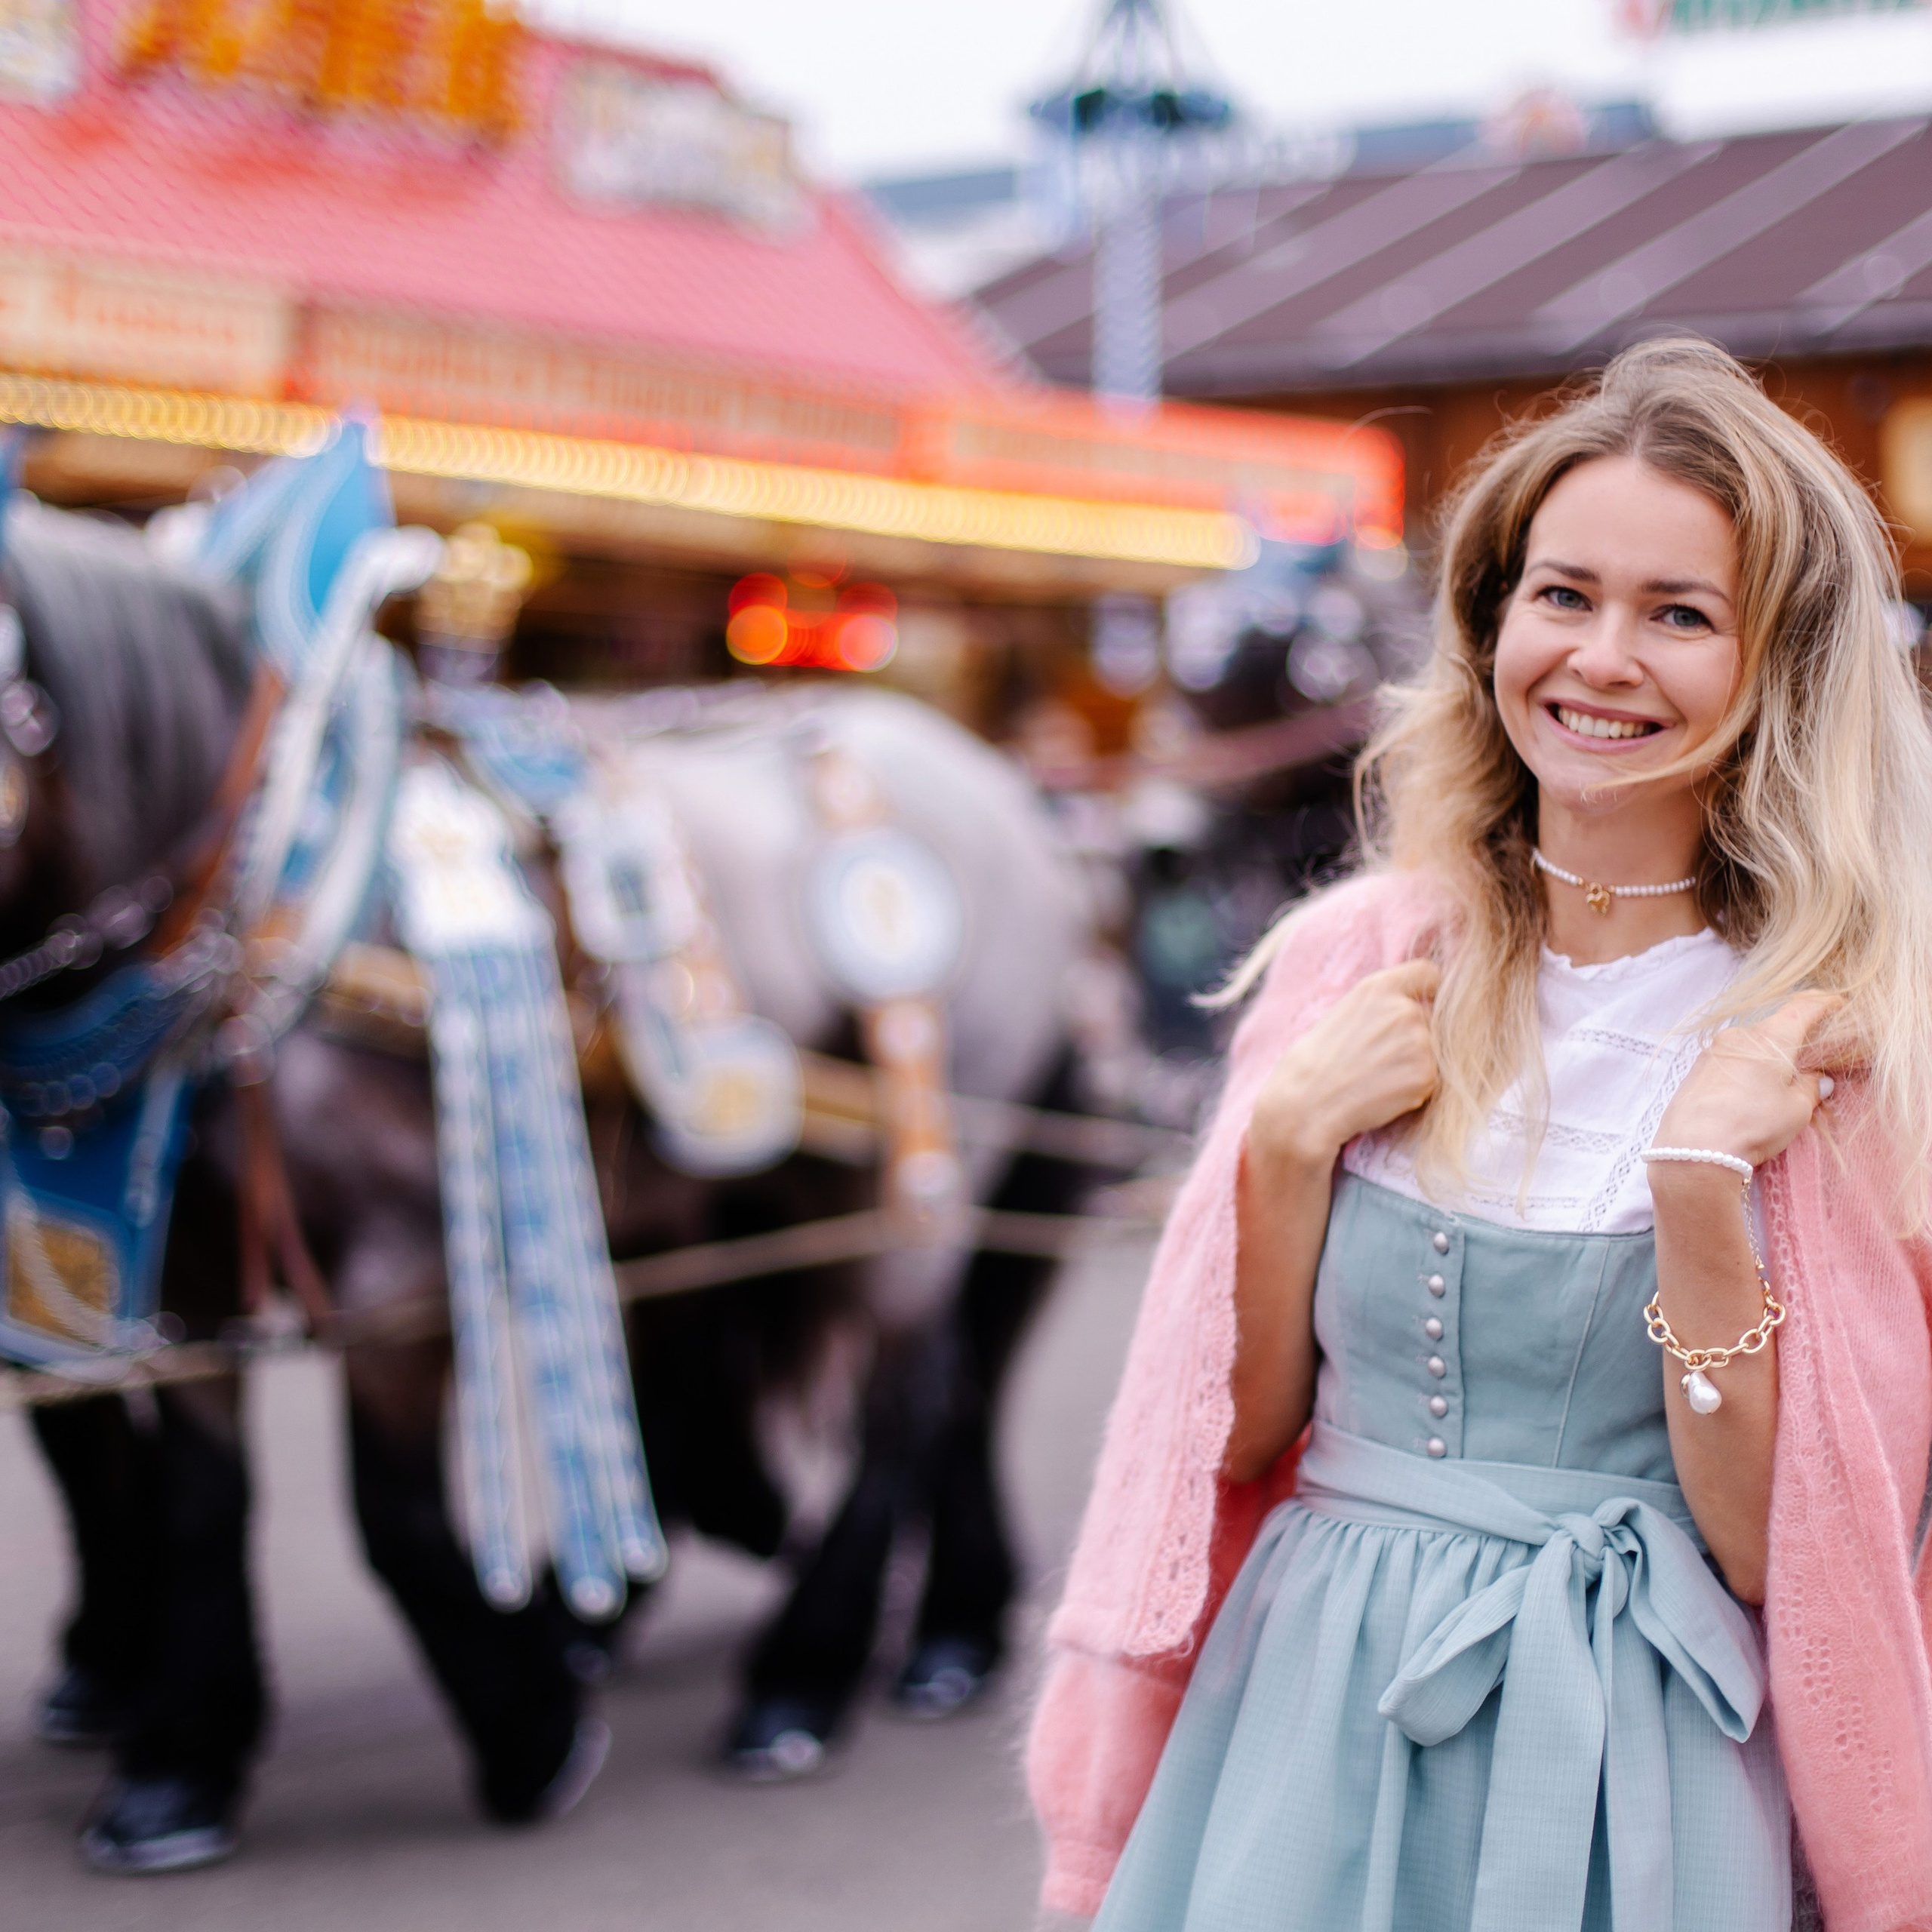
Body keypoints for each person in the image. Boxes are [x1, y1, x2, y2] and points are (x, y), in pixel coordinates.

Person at [1026, 337, 1932, 1931]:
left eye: (1678, 614)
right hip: (1303, 1702)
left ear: (1775, 664)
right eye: (1561, 595)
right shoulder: (1355, 958)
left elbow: (1764, 1552)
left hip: (1628, 1753)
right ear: (1488, 621)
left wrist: (1700, 1192)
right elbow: (1225, 1442)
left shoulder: (1839, 1038)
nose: (1599, 658)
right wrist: (1285, 1146)